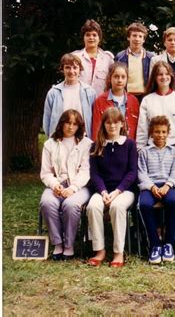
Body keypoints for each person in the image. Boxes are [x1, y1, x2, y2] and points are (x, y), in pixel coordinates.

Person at [87, 107, 138, 268]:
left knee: (117, 207)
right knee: (93, 206)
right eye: (108, 123)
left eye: (116, 122)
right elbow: (94, 174)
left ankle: (118, 252)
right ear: (103, 125)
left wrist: (116, 192)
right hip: (103, 190)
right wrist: (103, 192)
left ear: (122, 124)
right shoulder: (96, 145)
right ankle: (100, 250)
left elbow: (132, 172)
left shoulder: (129, 144)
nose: (112, 126)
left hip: (124, 190)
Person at [40, 110, 92, 261]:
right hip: (57, 184)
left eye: (75, 124)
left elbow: (85, 171)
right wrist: (55, 185)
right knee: (47, 202)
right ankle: (58, 243)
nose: (70, 127)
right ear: (61, 123)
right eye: (67, 123)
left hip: (79, 186)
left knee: (71, 205)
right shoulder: (50, 144)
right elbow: (45, 172)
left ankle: (69, 246)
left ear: (79, 126)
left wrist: (73, 188)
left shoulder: (86, 144)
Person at [138, 116, 175, 264]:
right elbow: (141, 173)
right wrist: (152, 187)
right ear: (151, 133)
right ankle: (155, 244)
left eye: (163, 132)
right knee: (143, 204)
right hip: (150, 186)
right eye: (157, 132)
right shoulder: (144, 152)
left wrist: (168, 185)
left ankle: (168, 243)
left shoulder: (174, 151)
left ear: (168, 133)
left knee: (173, 202)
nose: (160, 135)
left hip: (167, 185)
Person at [137, 60, 175, 154]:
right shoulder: (147, 100)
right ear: (155, 77)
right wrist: (140, 148)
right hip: (153, 147)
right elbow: (142, 127)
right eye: (160, 74)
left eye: (167, 74)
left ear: (171, 76)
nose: (164, 77)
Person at [43, 53, 96, 138]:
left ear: (80, 69)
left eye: (75, 67)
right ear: (62, 69)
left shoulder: (89, 92)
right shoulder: (53, 93)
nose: (71, 71)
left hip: (82, 139)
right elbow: (47, 120)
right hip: (60, 138)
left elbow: (94, 119)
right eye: (67, 67)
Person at [92, 62, 139, 141]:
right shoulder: (100, 101)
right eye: (116, 77)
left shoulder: (133, 101)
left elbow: (138, 128)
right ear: (110, 78)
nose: (120, 80)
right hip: (107, 145)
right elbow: (96, 128)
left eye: (123, 77)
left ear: (127, 79)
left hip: (128, 146)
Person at [115, 22, 156, 103]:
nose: (137, 39)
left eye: (140, 36)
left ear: (144, 39)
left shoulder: (151, 57)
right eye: (134, 35)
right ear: (128, 37)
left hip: (145, 96)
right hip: (126, 95)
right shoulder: (120, 57)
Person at [73, 19, 114, 95]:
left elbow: (112, 83)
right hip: (79, 100)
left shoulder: (108, 59)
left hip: (100, 101)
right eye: (87, 35)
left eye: (94, 35)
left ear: (99, 38)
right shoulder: (75, 57)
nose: (91, 37)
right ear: (83, 37)